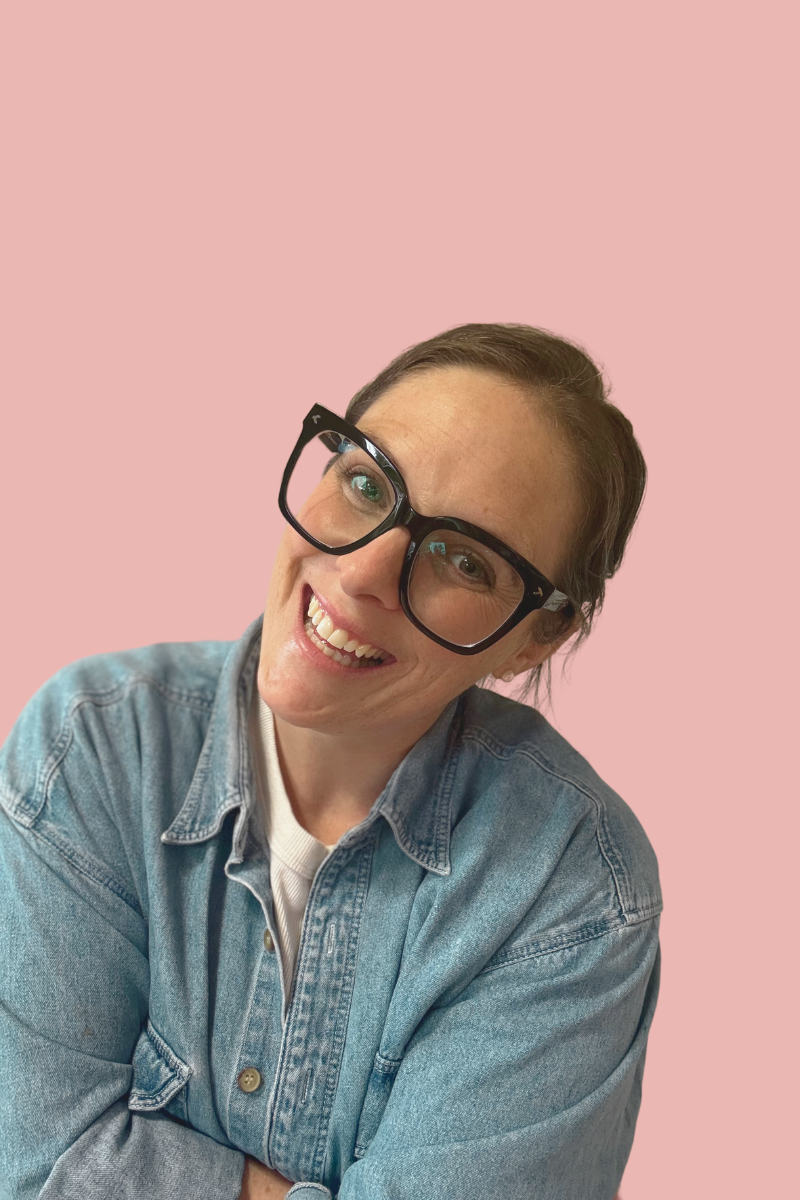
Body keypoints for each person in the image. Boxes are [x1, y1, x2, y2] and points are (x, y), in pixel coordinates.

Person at [0, 323, 661, 1200]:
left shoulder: (568, 891)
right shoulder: (94, 747)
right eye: (365, 483)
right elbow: (29, 1161)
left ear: (537, 636)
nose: (363, 572)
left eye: (462, 559)